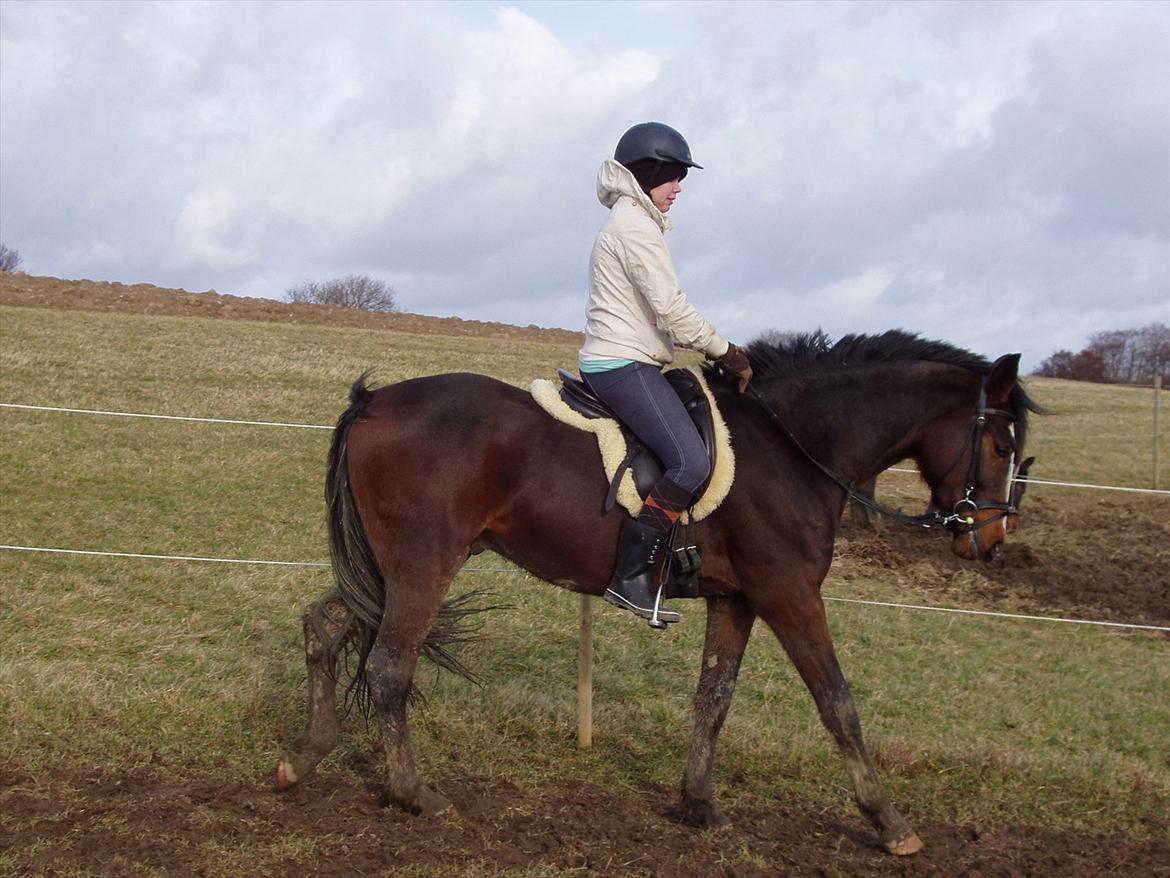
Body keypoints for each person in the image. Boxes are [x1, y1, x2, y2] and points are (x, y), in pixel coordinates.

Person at [580, 121, 752, 626]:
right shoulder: (634, 228)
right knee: (691, 464)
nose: (679, 188)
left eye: (682, 178)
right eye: (674, 177)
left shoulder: (637, 222)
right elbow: (672, 310)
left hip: (633, 359)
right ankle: (630, 578)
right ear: (648, 173)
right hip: (622, 364)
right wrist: (727, 351)